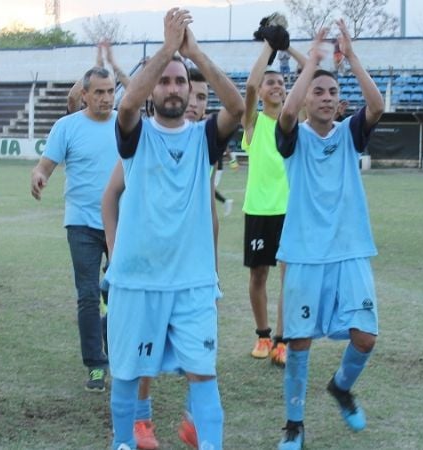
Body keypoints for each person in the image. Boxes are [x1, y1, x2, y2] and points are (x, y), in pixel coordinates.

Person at [104, 8, 243, 450]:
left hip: (192, 283)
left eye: (180, 80)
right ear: (151, 91)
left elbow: (238, 107)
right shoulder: (136, 133)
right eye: (163, 80)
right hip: (137, 280)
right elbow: (126, 104)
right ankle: (124, 443)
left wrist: (193, 52)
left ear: (189, 89)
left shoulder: (204, 137)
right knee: (127, 373)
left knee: (204, 372)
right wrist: (167, 50)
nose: (172, 88)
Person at [275, 19, 384, 450]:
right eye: (317, 92)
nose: (325, 98)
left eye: (332, 93)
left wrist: (350, 59)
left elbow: (375, 106)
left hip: (350, 250)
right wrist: (313, 60)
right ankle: (294, 424)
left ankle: (341, 386)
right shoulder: (293, 137)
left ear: (340, 103)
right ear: (306, 101)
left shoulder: (349, 134)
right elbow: (285, 112)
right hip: (303, 253)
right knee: (299, 342)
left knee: (366, 337)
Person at [30, 65, 118, 392]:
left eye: (110, 91)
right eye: (99, 92)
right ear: (84, 95)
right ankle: (96, 364)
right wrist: (39, 176)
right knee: (88, 295)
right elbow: (45, 165)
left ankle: (121, 350)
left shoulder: (126, 124)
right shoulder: (66, 127)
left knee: (120, 292)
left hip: (120, 223)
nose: (106, 98)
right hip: (81, 222)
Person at [241, 38, 304, 366]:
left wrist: (288, 47)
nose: (277, 86)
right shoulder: (252, 123)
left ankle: (282, 340)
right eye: (272, 82)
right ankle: (263, 335)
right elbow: (251, 84)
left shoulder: (293, 120)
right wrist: (269, 45)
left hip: (290, 210)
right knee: (258, 276)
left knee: (289, 277)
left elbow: (310, 70)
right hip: (259, 210)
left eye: (281, 82)